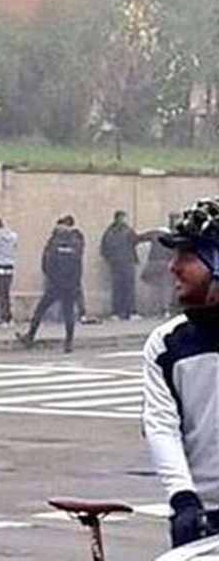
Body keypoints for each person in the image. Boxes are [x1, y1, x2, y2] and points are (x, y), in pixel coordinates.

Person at [142, 197, 219, 549]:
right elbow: (161, 425)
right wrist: (183, 498)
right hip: (202, 513)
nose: (173, 267)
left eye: (187, 256)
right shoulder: (167, 344)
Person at [16, 217, 85, 353]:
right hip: (70, 285)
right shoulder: (76, 243)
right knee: (68, 313)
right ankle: (69, 343)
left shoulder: (54, 243)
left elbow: (46, 263)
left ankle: (30, 336)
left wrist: (52, 279)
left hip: (55, 284)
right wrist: (76, 283)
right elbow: (78, 265)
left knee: (40, 309)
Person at [101, 210, 140, 320]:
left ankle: (117, 312)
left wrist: (110, 260)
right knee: (127, 288)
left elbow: (103, 249)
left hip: (116, 264)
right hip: (126, 263)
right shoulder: (127, 231)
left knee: (118, 288)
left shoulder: (109, 232)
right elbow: (135, 241)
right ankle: (130, 312)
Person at [0, 217, 18, 325]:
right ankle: (10, 317)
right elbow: (15, 247)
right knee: (7, 292)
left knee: (1, 293)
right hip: (10, 265)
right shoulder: (13, 235)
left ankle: (4, 317)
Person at [140, 230, 175, 318]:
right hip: (165, 264)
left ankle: (156, 309)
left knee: (155, 288)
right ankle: (165, 309)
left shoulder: (155, 235)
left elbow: (140, 238)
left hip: (153, 264)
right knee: (166, 288)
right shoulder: (171, 237)